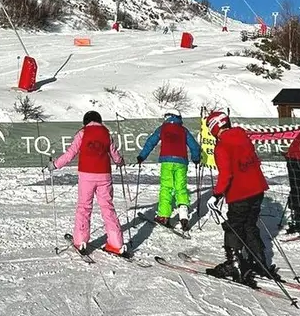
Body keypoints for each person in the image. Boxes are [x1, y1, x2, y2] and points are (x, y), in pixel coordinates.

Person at [204, 110, 278, 286]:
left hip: (240, 192)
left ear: (214, 128)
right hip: (257, 189)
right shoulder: (243, 136)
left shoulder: (222, 146)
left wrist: (216, 195)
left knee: (234, 227)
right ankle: (260, 263)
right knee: (250, 226)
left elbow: (226, 174)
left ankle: (234, 265)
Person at [49, 110, 128, 256]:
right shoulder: (106, 133)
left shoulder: (82, 133)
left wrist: (55, 164)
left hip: (86, 175)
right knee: (108, 209)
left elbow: (70, 153)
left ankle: (81, 241)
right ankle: (116, 243)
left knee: (84, 207)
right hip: (104, 176)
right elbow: (114, 154)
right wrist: (120, 162)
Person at [137, 111, 202, 231]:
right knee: (181, 188)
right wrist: (196, 158)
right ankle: (183, 216)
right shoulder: (183, 130)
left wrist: (142, 156)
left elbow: (151, 142)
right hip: (181, 162)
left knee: (166, 187)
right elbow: (194, 146)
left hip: (167, 161)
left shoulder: (162, 128)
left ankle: (164, 216)